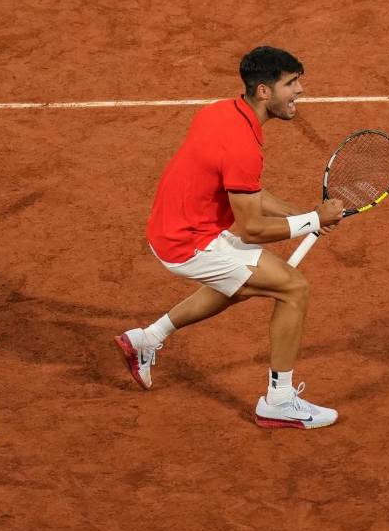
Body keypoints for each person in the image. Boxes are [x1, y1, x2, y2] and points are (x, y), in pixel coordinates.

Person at [115, 46, 345, 429]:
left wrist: (301, 214)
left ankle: (146, 339)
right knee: (292, 288)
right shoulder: (242, 147)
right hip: (188, 241)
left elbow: (245, 192)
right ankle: (279, 401)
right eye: (291, 83)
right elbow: (252, 228)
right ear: (263, 92)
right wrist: (310, 221)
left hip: (174, 225)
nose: (300, 91)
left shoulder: (220, 111)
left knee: (240, 283)